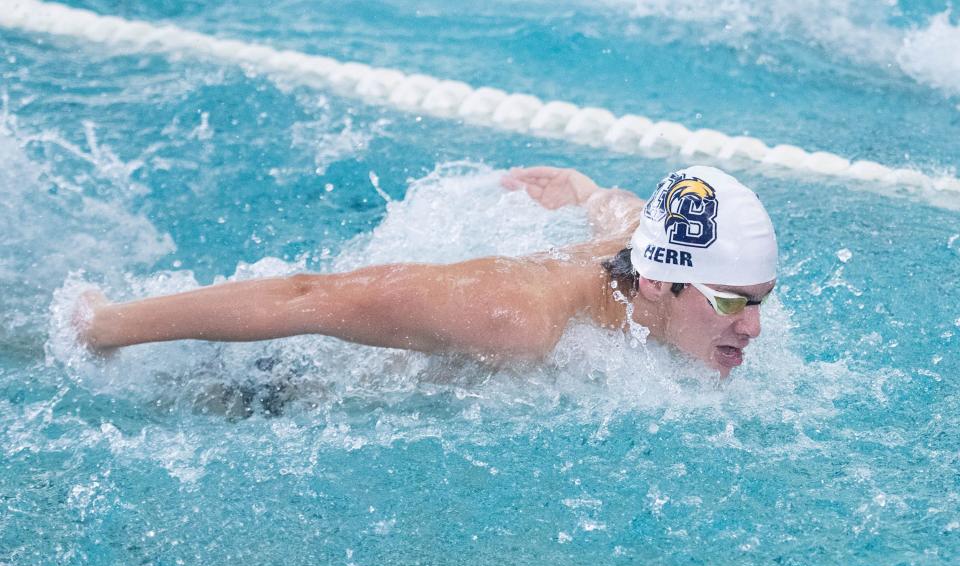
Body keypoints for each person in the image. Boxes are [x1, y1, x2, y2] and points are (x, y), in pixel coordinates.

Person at [75, 165, 777, 378]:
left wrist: (583, 191)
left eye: (760, 302)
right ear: (657, 282)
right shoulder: (515, 315)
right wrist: (104, 324)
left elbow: (623, 212)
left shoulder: (639, 248)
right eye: (733, 302)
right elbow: (309, 296)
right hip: (288, 381)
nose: (753, 327)